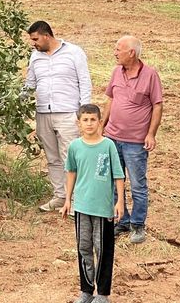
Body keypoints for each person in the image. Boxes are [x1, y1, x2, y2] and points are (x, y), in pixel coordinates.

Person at [24, 20, 92, 212]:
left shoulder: (74, 52)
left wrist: (83, 111)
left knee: (70, 157)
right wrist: (15, 101)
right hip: (43, 112)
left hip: (67, 112)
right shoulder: (35, 57)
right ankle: (60, 196)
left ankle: (78, 201)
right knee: (52, 157)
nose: (34, 43)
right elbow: (30, 83)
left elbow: (84, 81)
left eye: (36, 39)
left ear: (47, 36)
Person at [101, 35, 163, 244]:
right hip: (112, 137)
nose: (115, 52)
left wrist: (151, 133)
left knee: (137, 184)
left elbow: (157, 105)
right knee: (114, 182)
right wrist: (102, 125)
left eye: (118, 49)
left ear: (132, 53)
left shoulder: (150, 75)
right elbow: (110, 99)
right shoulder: (116, 72)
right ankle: (122, 220)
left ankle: (138, 225)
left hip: (135, 142)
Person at [61, 104, 125, 303]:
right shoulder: (75, 147)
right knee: (84, 248)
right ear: (79, 122)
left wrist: (120, 201)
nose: (89, 124)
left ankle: (103, 294)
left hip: (103, 208)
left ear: (99, 121)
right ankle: (86, 290)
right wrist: (67, 200)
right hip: (81, 207)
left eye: (93, 120)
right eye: (85, 120)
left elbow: (118, 175)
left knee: (104, 249)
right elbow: (71, 172)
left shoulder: (108, 146)